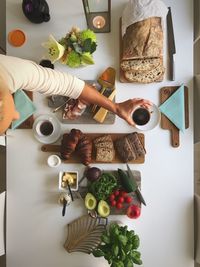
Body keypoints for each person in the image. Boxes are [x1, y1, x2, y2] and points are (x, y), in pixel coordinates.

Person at [0, 55, 151, 135]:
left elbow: (70, 85)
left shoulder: (10, 72)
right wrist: (116, 108)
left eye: (8, 114)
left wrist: (116, 108)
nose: (17, 117)